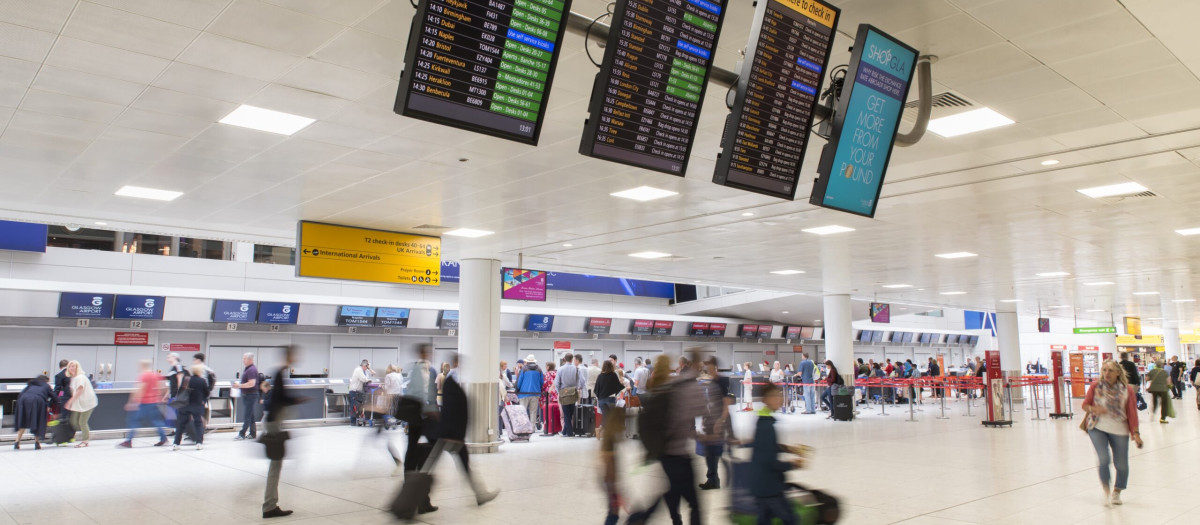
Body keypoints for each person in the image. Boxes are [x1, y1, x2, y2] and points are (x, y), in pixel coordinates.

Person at [627, 353, 706, 525]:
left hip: (664, 449)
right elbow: (692, 408)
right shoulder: (672, 385)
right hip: (676, 450)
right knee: (688, 499)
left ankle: (663, 519)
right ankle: (642, 519)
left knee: (673, 490)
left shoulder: (655, 383)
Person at [425, 353, 499, 505]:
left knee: (441, 465)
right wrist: (455, 434)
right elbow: (450, 411)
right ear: (455, 363)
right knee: (431, 466)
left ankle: (480, 494)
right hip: (451, 435)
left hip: (451, 434)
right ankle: (415, 495)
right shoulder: (451, 383)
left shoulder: (452, 382)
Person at [1081, 360, 1142, 506]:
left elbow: (1132, 412)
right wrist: (1094, 410)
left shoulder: (1127, 390)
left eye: (1110, 370)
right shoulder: (1096, 386)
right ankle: (1106, 490)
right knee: (1103, 459)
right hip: (1097, 427)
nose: (1106, 373)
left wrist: (1136, 433)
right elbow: (1085, 405)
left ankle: (1117, 491)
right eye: (1104, 370)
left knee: (1121, 464)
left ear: (1118, 373)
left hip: (1119, 429)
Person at [751, 383, 804, 524]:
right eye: (775, 395)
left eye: (779, 395)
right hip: (769, 487)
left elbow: (766, 447)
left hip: (761, 484)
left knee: (764, 520)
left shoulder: (764, 420)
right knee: (791, 519)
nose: (779, 398)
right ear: (765, 399)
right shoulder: (766, 425)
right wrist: (792, 464)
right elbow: (769, 462)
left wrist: (787, 449)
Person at [397, 344, 440, 515]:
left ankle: (417, 497)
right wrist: (430, 411)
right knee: (422, 456)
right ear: (423, 353)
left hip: (418, 418)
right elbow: (420, 393)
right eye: (427, 352)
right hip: (421, 418)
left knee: (414, 454)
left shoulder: (417, 368)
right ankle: (417, 498)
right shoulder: (421, 369)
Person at [263, 346, 304, 519]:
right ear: (289, 356)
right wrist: (296, 399)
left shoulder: (279, 372)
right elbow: (280, 398)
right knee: (275, 465)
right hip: (274, 422)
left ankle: (270, 504)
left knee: (276, 464)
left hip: (274, 421)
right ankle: (269, 506)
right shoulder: (280, 373)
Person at [699, 356, 732, 490]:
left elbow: (726, 404)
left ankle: (713, 479)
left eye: (709, 366)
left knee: (713, 453)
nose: (708, 368)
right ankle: (712, 478)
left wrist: (721, 420)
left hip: (717, 421)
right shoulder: (712, 381)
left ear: (714, 366)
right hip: (710, 420)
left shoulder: (721, 381)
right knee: (709, 452)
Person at [118, 360, 167, 448]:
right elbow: (162, 387)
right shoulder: (156, 375)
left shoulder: (143, 376)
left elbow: (140, 389)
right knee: (157, 421)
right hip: (154, 402)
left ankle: (128, 441)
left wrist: (132, 402)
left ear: (142, 366)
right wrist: (159, 397)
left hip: (144, 403)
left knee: (134, 421)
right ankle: (163, 438)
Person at [172, 364, 211, 451]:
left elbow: (180, 391)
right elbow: (207, 393)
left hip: (184, 405)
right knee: (198, 424)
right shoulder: (202, 381)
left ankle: (176, 443)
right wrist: (203, 399)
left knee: (181, 425)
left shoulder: (186, 379)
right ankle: (199, 443)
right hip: (196, 406)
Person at [13, 375, 57, 450]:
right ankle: (37, 443)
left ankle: (17, 442)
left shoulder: (31, 384)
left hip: (23, 400)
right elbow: (55, 397)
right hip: (37, 400)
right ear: (46, 381)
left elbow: (21, 394)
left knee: (23, 421)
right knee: (37, 421)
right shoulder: (46, 385)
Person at [65, 360, 96, 448]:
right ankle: (87, 433)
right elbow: (73, 391)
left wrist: (70, 401)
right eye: (70, 366)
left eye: (73, 366)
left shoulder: (80, 377)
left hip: (87, 403)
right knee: (73, 421)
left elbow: (79, 390)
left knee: (82, 422)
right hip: (79, 403)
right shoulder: (73, 378)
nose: (71, 368)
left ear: (77, 367)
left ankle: (85, 440)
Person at [555, 353, 585, 437]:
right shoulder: (576, 369)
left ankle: (570, 433)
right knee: (570, 413)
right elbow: (582, 380)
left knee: (566, 414)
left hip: (563, 393)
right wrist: (579, 388)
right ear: (572, 359)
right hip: (573, 393)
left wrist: (559, 391)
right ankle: (564, 432)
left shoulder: (560, 369)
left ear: (564, 359)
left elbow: (556, 383)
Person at [234, 353, 259, 439]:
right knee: (251, 415)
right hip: (248, 394)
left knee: (247, 415)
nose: (243, 360)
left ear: (250, 360)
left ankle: (242, 433)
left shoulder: (251, 370)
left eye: (244, 358)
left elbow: (252, 383)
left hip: (250, 394)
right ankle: (253, 433)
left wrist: (240, 386)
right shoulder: (247, 369)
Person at [515, 355, 544, 426]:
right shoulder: (539, 369)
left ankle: (523, 427)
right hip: (535, 393)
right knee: (533, 412)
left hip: (523, 393)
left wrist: (517, 389)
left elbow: (519, 381)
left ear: (527, 361)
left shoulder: (524, 369)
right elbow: (542, 382)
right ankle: (532, 428)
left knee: (522, 411)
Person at [594, 360, 622, 427]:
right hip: (611, 399)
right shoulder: (613, 375)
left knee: (604, 416)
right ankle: (610, 433)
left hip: (602, 399)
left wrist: (599, 397)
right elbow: (618, 386)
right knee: (611, 416)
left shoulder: (600, 376)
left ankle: (601, 429)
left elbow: (596, 389)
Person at [1145, 359, 1173, 424]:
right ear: (1162, 365)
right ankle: (1162, 418)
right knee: (1164, 404)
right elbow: (1168, 381)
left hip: (1153, 389)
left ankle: (1153, 413)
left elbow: (1147, 378)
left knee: (1154, 401)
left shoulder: (1152, 371)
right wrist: (1170, 386)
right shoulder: (1165, 372)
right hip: (1163, 389)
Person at [349, 359, 374, 426]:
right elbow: (363, 378)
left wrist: (369, 369)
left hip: (358, 391)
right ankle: (353, 421)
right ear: (364, 365)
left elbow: (372, 374)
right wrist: (369, 380)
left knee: (358, 406)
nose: (367, 369)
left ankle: (356, 419)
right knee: (354, 406)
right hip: (354, 390)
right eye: (367, 367)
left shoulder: (363, 370)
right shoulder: (358, 370)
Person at [542, 362, 562, 435]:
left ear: (548, 367)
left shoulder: (546, 374)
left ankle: (548, 426)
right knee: (558, 410)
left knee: (548, 411)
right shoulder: (557, 373)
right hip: (557, 394)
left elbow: (544, 384)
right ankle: (557, 426)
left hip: (549, 394)